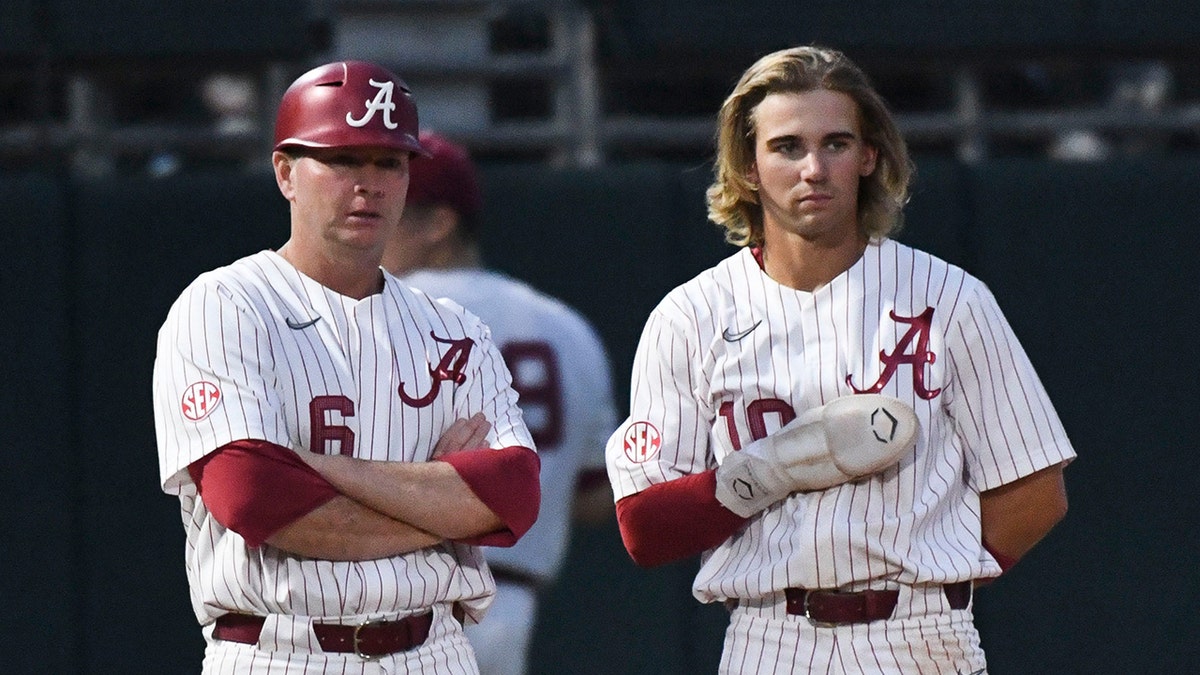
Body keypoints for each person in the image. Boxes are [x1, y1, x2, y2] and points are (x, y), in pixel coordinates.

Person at [605, 45, 1075, 674]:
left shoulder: (950, 298)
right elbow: (645, 526)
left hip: (921, 632)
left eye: (836, 143)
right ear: (747, 166)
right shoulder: (691, 316)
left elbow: (1035, 491)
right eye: (787, 147)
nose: (813, 168)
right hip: (769, 634)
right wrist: (771, 469)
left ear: (869, 157)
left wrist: (939, 568)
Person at [152, 60, 540, 674]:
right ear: (286, 173)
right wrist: (437, 500)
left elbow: (510, 495)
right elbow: (253, 497)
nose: (369, 183)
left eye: (389, 162)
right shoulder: (225, 305)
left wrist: (314, 468)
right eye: (342, 160)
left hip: (435, 652)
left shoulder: (455, 330)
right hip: (280, 651)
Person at [383, 130, 618, 675]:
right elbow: (595, 498)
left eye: (385, 209)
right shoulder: (565, 328)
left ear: (437, 223)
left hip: (395, 601)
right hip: (508, 609)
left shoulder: (380, 316)